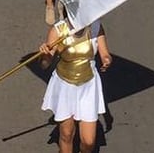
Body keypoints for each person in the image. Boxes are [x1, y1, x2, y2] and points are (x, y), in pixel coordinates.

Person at [39, 17, 112, 153]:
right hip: (65, 86)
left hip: (88, 85)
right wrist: (45, 55)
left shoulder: (95, 27)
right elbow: (44, 65)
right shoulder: (58, 30)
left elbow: (105, 54)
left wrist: (106, 61)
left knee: (89, 141)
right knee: (66, 135)